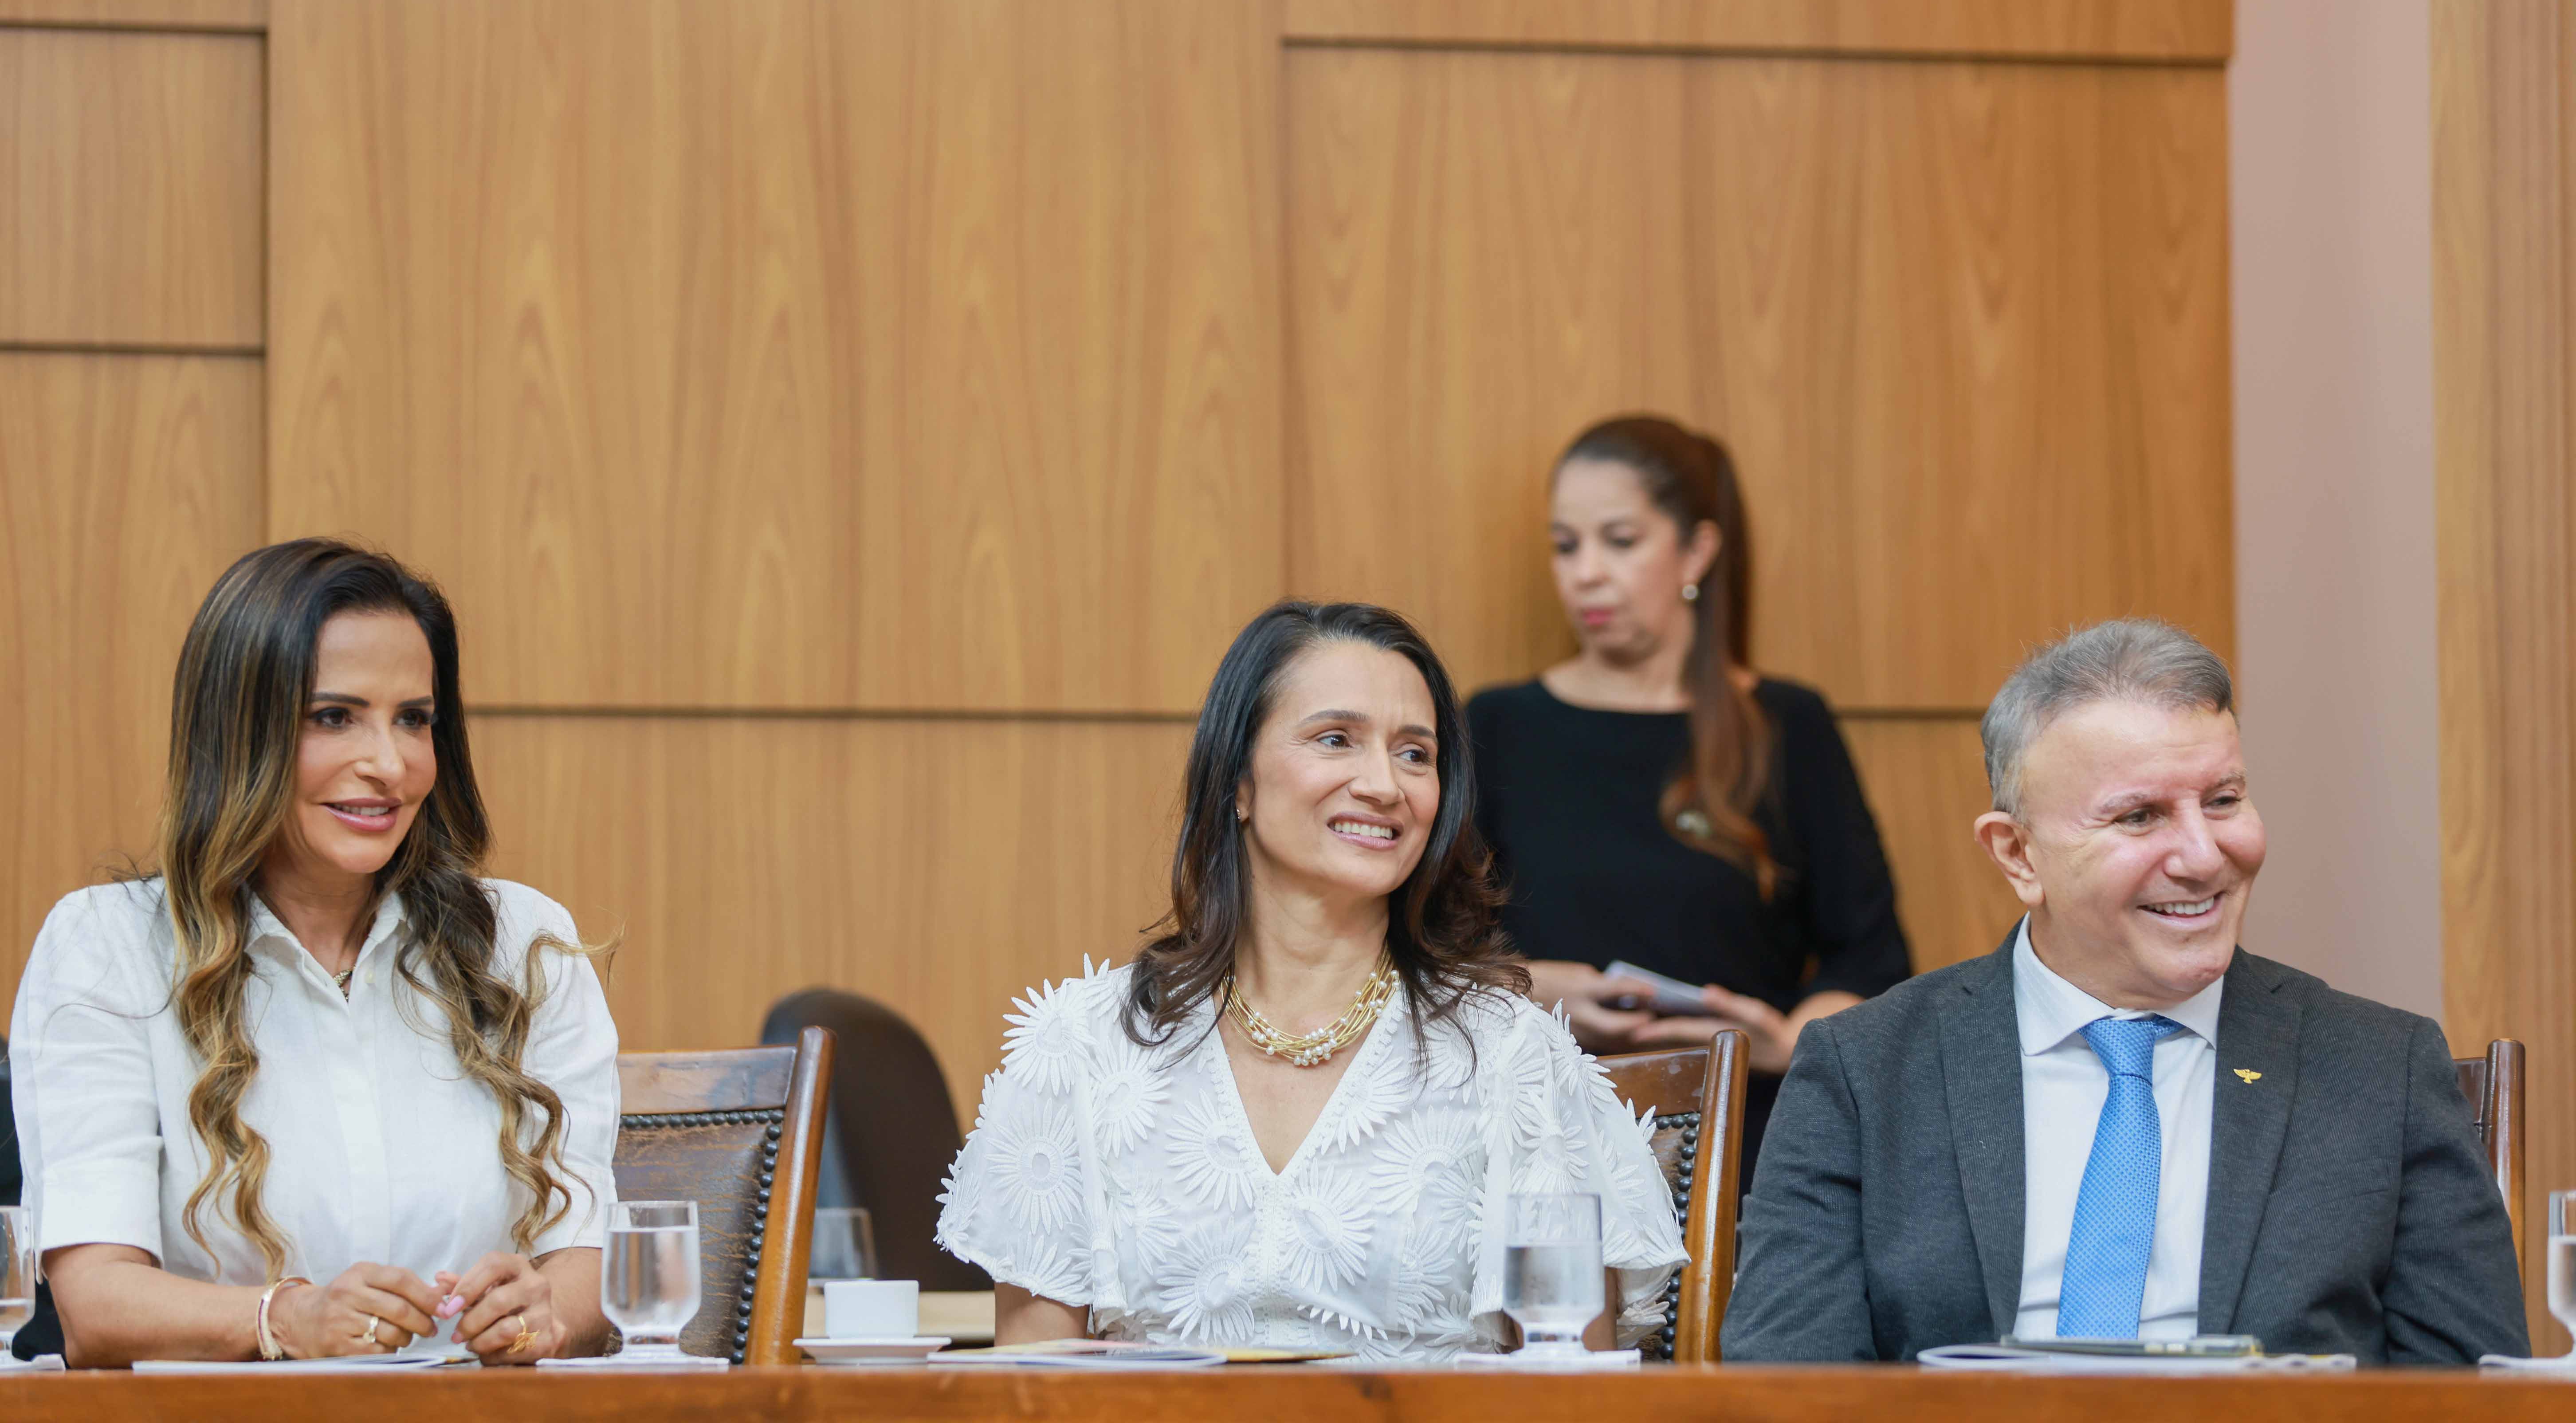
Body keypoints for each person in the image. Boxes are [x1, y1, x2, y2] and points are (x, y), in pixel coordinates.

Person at [1722, 619, 2528, 1363]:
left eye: (2223, 801)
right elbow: (1789, 1382)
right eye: (2140, 817)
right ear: (2018, 855)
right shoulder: (1864, 1071)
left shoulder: (2380, 1072)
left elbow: (2474, 1393)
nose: (2205, 857)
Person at [936, 601, 1685, 1360]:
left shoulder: (1509, 1056)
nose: (1385, 785)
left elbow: (1572, 1390)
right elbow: (1030, 1390)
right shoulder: (1086, 1047)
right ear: (1239, 785)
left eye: (1415, 754)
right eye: (1336, 740)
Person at [11, 539, 620, 1368]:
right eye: (334, 717)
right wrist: (284, 1320)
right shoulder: (108, 947)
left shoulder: (523, 943)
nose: (390, 764)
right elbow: (95, 1303)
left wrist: (546, 1313)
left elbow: (584, 1266)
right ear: (239, 734)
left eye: (415, 718)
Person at [1469, 416, 1910, 1177]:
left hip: (1751, 1144)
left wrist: (1785, 1043)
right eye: (1566, 545)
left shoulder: (1786, 725)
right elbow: (1419, 954)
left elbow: (1870, 959)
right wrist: (1532, 989)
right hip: (1538, 1143)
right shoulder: (1498, 725)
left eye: (1620, 540)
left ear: (1698, 550)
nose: (1586, 574)